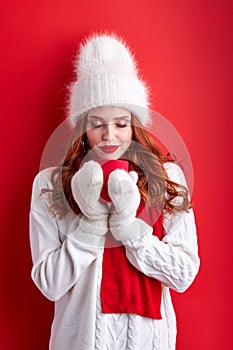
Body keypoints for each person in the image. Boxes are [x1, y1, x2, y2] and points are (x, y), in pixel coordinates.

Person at [30, 33, 200, 350]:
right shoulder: (50, 185)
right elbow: (50, 284)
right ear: (82, 125)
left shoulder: (166, 178)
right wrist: (90, 223)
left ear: (135, 124)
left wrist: (130, 229)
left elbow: (183, 274)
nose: (110, 135)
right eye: (97, 123)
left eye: (121, 123)